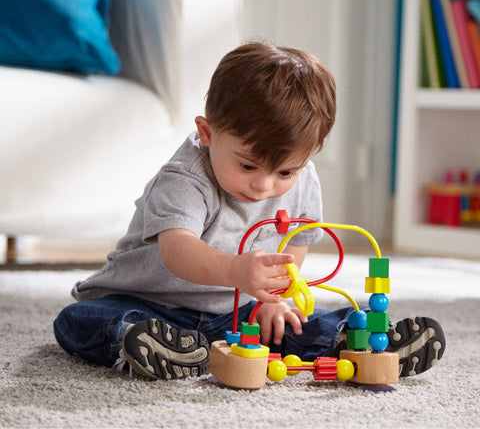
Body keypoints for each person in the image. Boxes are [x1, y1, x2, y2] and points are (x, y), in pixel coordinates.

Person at [54, 41, 445, 381]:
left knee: (295, 322)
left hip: (236, 314)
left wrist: (273, 300)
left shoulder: (304, 177)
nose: (264, 185)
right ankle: (137, 340)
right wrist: (235, 270)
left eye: (285, 171)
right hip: (150, 303)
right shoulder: (184, 178)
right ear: (208, 134)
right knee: (77, 320)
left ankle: (355, 340)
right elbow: (177, 251)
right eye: (247, 166)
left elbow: (291, 250)